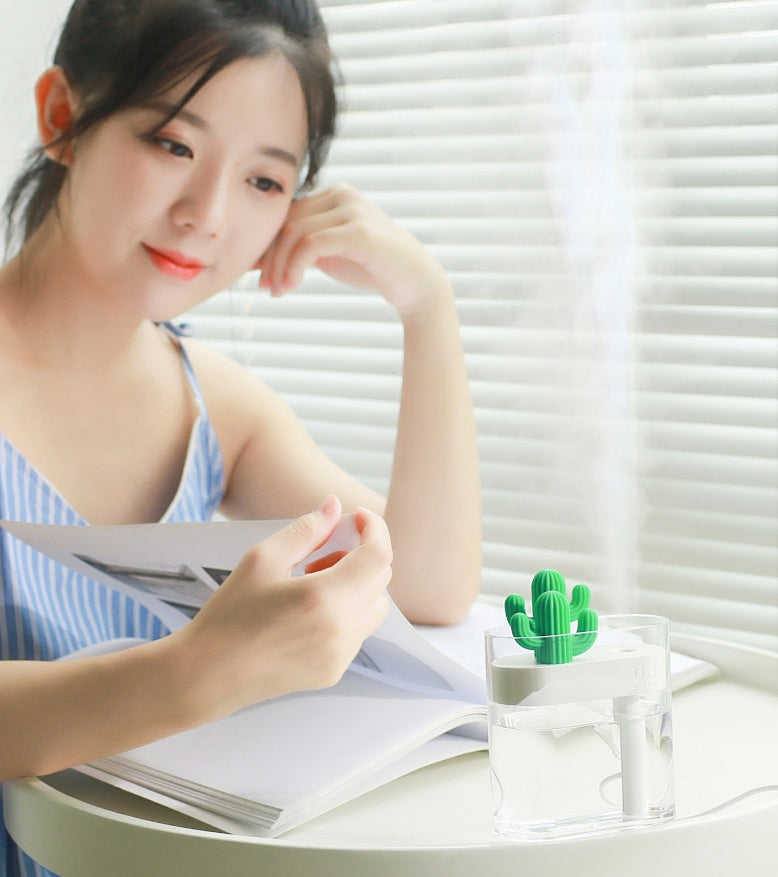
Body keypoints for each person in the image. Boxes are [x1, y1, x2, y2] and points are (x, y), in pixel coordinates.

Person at [0, 0, 481, 872]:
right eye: (172, 145)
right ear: (63, 119)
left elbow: (431, 589)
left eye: (264, 180)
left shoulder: (216, 404)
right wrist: (198, 673)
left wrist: (427, 307)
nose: (208, 214)